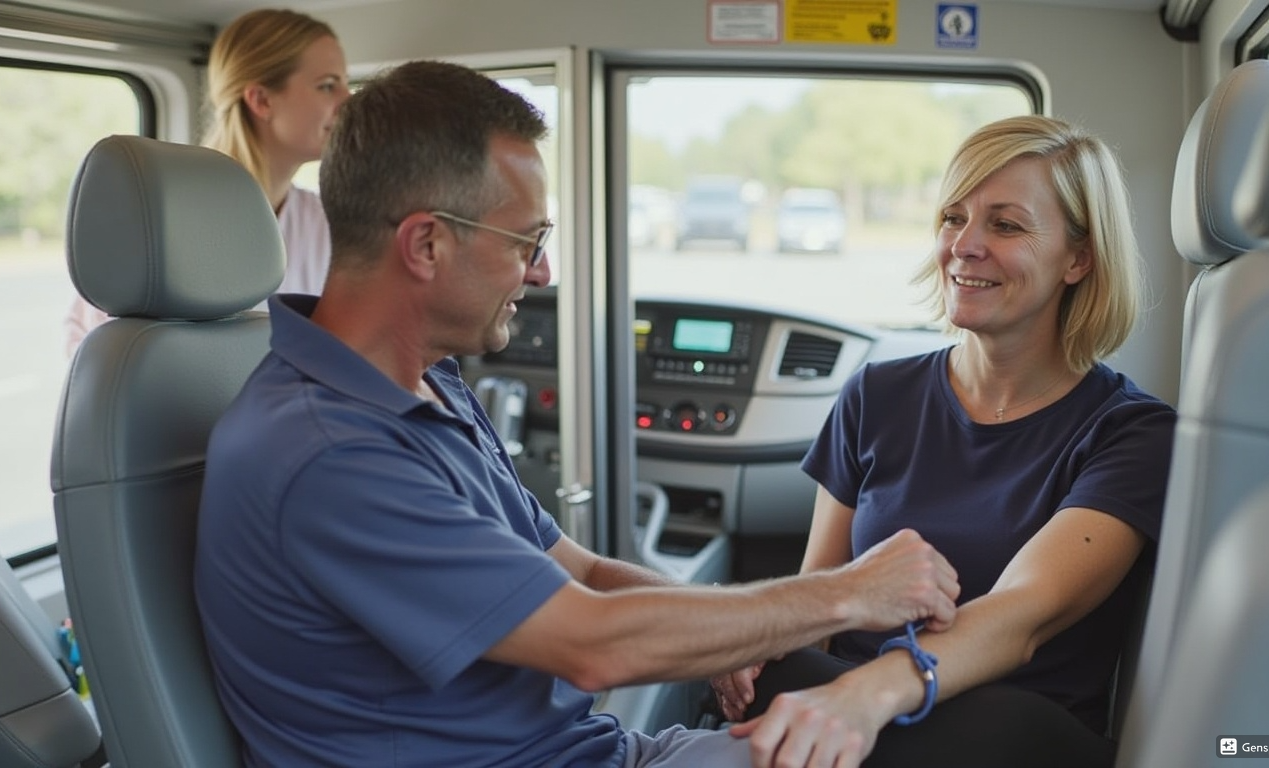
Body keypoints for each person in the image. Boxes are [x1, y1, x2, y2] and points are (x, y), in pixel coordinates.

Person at [193, 60, 961, 768]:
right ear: (425, 244)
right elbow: (593, 647)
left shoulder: (426, 384)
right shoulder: (328, 451)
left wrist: (723, 632)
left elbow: (584, 573)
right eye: (526, 239)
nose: (542, 270)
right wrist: (849, 591)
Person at [711, 115, 1177, 767]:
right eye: (953, 217)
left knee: (991, 723)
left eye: (1005, 224)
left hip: (1001, 732)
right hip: (849, 711)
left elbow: (1021, 617)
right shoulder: (876, 394)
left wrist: (864, 695)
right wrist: (760, 637)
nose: (964, 245)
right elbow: (819, 589)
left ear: (1080, 257)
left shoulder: (1132, 433)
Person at [63, 8, 349, 353]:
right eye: (328, 86)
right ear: (261, 100)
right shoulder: (163, 217)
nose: (347, 101)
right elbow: (98, 350)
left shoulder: (326, 222)